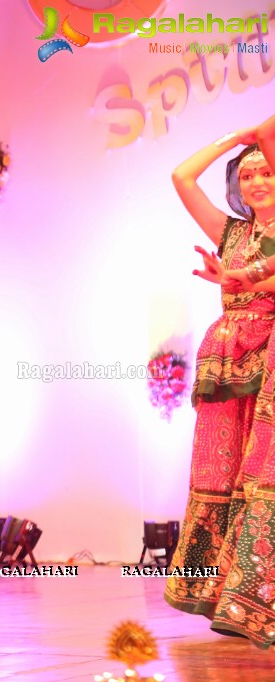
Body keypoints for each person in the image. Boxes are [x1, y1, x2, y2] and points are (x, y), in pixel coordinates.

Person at [165, 115, 275, 644]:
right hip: (228, 359)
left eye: (266, 173)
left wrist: (245, 277)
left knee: (263, 477)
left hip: (273, 354)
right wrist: (237, 139)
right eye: (247, 175)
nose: (256, 182)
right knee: (224, 475)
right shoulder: (231, 232)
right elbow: (182, 177)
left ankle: (260, 594)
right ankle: (224, 593)